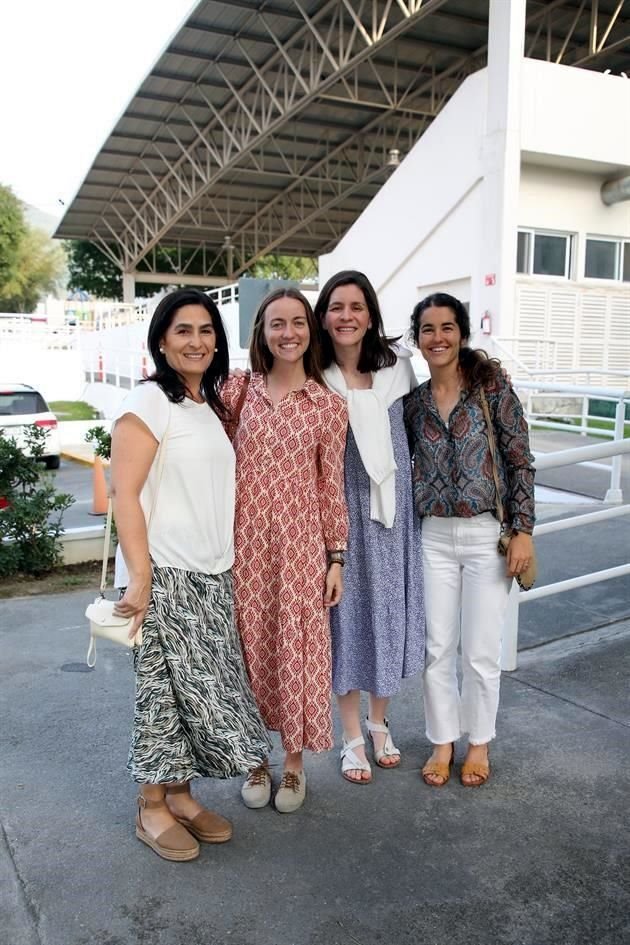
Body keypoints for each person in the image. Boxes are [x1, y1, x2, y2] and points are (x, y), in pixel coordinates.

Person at [110, 288, 270, 861]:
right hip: (167, 572)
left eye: (206, 330)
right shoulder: (150, 401)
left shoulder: (206, 404)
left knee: (194, 695)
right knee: (160, 693)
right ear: (161, 340)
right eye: (183, 330)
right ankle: (150, 807)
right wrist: (139, 575)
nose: (197, 341)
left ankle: (180, 795)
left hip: (211, 573)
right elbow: (123, 493)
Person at [222, 288, 349, 813]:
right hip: (243, 546)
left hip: (301, 549)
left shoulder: (327, 406)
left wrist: (336, 557)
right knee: (249, 650)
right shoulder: (236, 392)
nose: (289, 332)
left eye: (298, 322)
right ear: (262, 332)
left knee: (294, 650)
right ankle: (256, 760)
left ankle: (293, 766)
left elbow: (330, 486)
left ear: (310, 331)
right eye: (278, 323)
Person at [404, 292, 535, 787]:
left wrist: (523, 530)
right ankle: (442, 743)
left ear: (461, 333)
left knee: (480, 650)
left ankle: (478, 742)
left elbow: (520, 459)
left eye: (446, 327)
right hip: (433, 536)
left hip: (487, 535)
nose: (437, 338)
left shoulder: (490, 386)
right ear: (417, 339)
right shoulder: (413, 404)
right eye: (428, 329)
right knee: (437, 648)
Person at [313, 270, 425, 784]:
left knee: (390, 614)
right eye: (337, 307)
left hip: (393, 516)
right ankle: (352, 733)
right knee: (347, 621)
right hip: (340, 517)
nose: (346, 317)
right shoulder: (314, 376)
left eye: (356, 307)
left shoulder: (398, 368)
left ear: (371, 315)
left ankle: (381, 721)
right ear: (324, 314)